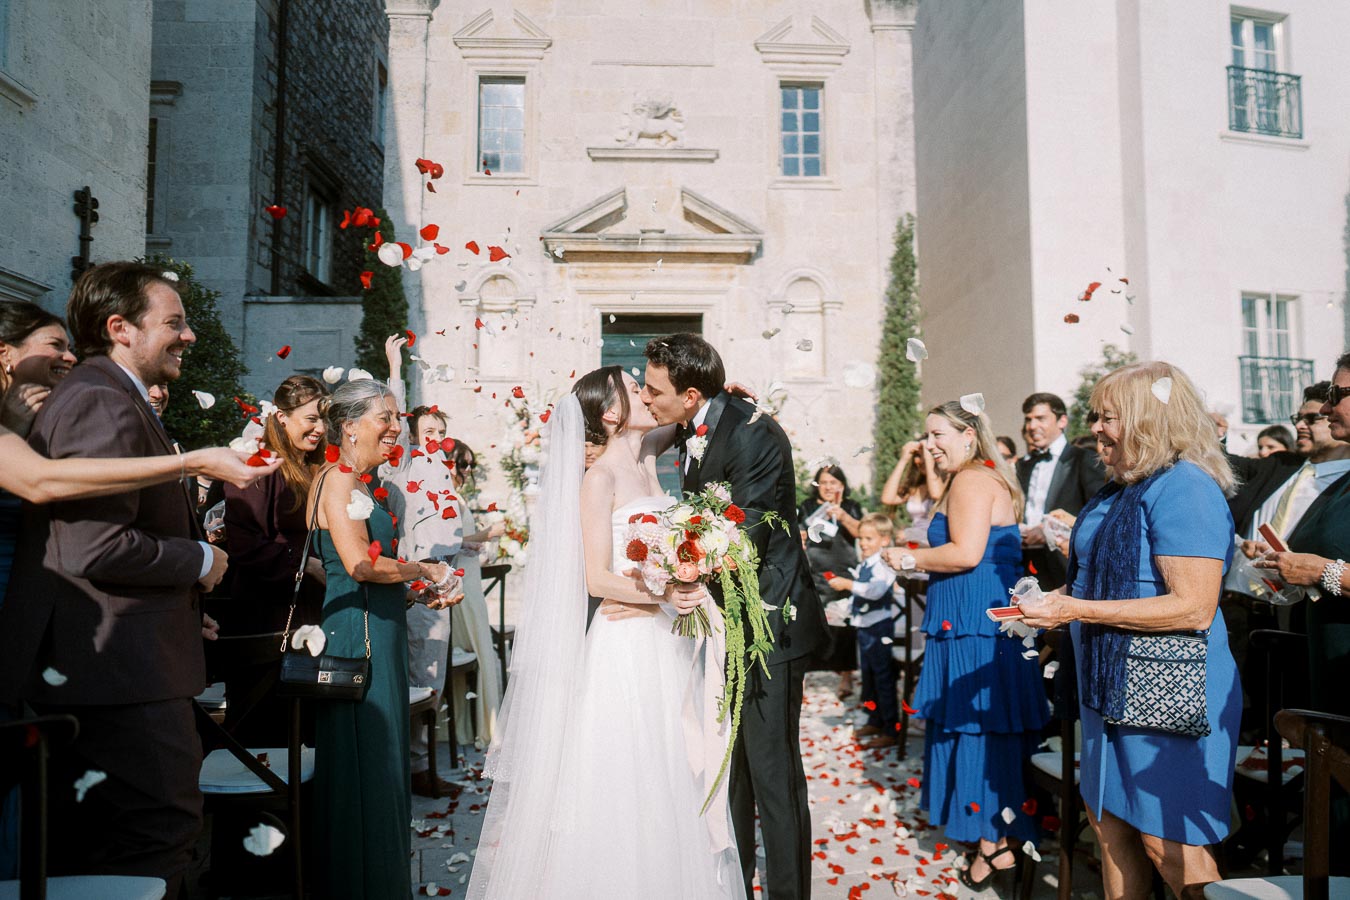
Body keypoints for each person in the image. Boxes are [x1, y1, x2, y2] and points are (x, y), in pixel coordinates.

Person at [0, 261, 228, 896]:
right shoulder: (101, 399)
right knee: (154, 837)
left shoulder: (107, 393)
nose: (187, 337)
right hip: (120, 673)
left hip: (118, 668)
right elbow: (95, 547)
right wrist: (201, 562)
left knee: (111, 846)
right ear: (121, 328)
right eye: (174, 323)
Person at [469, 367, 741, 898]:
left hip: (668, 639)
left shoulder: (644, 454)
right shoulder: (600, 479)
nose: (647, 391)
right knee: (630, 775)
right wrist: (665, 593)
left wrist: (718, 387)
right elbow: (596, 579)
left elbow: (687, 412)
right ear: (611, 412)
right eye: (635, 386)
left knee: (674, 769)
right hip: (627, 648)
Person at [1018, 361, 1242, 899]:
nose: (1094, 429)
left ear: (1148, 420)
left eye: (1107, 417)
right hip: (1108, 683)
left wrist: (1075, 611)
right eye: (1094, 416)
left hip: (1168, 690)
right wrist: (1051, 613)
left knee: (1171, 846)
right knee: (1110, 826)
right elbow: (1102, 580)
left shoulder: (1186, 488)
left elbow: (1192, 607)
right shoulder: (1118, 490)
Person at [642, 334, 827, 900]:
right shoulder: (698, 421)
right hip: (722, 628)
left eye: (655, 392)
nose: (647, 400)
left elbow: (744, 529)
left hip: (768, 627)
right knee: (734, 775)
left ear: (691, 394)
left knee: (773, 778)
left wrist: (679, 568)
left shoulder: (753, 434)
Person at [879, 400, 1047, 890]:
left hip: (977, 621)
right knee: (987, 727)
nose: (929, 445)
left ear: (969, 434)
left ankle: (993, 847)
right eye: (927, 436)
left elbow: (967, 552)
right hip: (975, 617)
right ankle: (999, 838)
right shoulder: (974, 477)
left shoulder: (974, 479)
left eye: (938, 435)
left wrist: (908, 559)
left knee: (979, 728)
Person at [308, 379, 459, 899]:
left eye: (397, 418)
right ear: (349, 427)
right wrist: (426, 567)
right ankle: (363, 883)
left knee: (385, 757)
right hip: (359, 636)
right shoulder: (336, 481)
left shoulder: (361, 483)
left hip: (381, 626)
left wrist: (417, 595)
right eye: (386, 418)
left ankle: (383, 877)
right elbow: (356, 565)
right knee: (367, 759)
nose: (396, 429)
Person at [1016, 392, 1107, 589]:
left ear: (1062, 421)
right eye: (1028, 420)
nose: (1032, 427)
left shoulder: (1084, 459)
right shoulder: (1023, 465)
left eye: (1040, 418)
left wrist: (1047, 530)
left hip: (1066, 565)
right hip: (1026, 564)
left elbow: (1098, 516)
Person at [827, 513, 899, 748]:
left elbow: (875, 591)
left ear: (884, 540)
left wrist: (849, 584)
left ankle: (890, 727)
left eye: (869, 538)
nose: (864, 543)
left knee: (883, 678)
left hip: (879, 626)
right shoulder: (866, 563)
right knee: (868, 679)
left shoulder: (884, 563)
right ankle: (874, 720)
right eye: (862, 539)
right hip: (865, 626)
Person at [798, 464, 863, 699]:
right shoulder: (806, 506)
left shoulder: (851, 506)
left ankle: (846, 676)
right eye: (823, 482)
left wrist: (843, 516)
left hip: (842, 571)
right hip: (814, 571)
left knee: (845, 625)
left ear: (842, 486)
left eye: (832, 483)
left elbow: (861, 533)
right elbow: (797, 532)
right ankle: (803, 676)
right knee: (809, 622)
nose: (827, 487)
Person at [880, 439, 944, 537]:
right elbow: (887, 498)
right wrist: (903, 460)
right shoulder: (915, 487)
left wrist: (929, 459)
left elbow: (937, 495)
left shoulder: (946, 481)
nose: (921, 460)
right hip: (915, 541)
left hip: (935, 541)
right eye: (918, 455)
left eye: (926, 455)